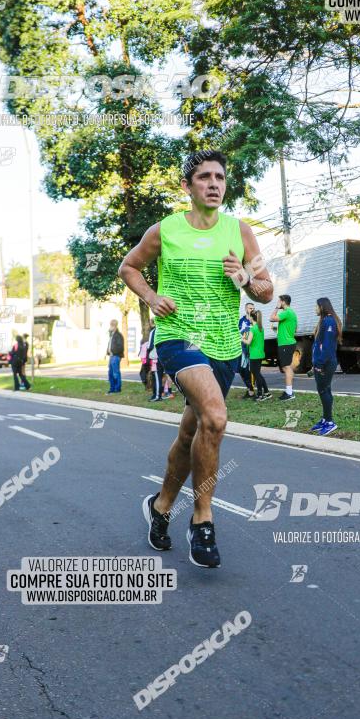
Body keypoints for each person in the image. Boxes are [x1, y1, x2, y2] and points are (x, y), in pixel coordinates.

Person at [118, 149, 273, 568]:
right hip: (178, 337)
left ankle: (161, 506)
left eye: (219, 177)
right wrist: (151, 297)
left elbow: (266, 290)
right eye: (204, 177)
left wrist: (244, 277)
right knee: (217, 418)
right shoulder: (164, 230)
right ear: (187, 186)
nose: (213, 183)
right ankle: (202, 519)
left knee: (193, 434)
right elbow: (129, 267)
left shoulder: (239, 232)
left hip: (224, 345)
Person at [310, 297, 341, 435]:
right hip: (322, 362)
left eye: (316, 306)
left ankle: (330, 422)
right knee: (324, 390)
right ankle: (325, 418)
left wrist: (320, 365)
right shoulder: (325, 320)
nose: (315, 309)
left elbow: (327, 347)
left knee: (324, 391)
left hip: (326, 363)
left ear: (322, 307)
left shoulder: (328, 321)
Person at [270, 294, 298, 401]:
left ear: (283, 302)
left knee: (286, 368)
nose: (278, 303)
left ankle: (290, 393)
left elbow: (271, 318)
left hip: (286, 344)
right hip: (288, 342)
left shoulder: (286, 312)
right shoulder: (292, 313)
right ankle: (289, 391)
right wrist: (281, 329)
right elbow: (295, 329)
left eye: (279, 301)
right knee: (287, 367)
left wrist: (276, 308)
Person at [244, 309, 271, 400]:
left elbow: (248, 342)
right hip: (259, 354)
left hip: (254, 355)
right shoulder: (261, 328)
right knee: (258, 374)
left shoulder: (253, 329)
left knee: (256, 374)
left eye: (249, 317)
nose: (249, 319)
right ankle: (266, 392)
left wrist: (242, 338)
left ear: (252, 318)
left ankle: (260, 395)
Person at [238, 302, 256, 398]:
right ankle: (249, 389)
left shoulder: (255, 320)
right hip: (242, 347)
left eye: (253, 308)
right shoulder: (241, 320)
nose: (252, 310)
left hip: (252, 348)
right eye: (250, 308)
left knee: (250, 370)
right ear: (246, 309)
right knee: (241, 369)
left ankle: (251, 391)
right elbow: (239, 332)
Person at [106, 319, 124, 394]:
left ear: (115, 326)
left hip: (116, 356)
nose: (110, 327)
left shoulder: (118, 335)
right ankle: (112, 388)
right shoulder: (112, 335)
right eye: (110, 325)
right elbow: (110, 345)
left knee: (115, 373)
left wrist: (113, 352)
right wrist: (108, 352)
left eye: (112, 325)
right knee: (110, 373)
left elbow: (120, 347)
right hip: (111, 356)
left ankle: (117, 388)